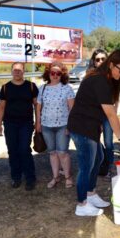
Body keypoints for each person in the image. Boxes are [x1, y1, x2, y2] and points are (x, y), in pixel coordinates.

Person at [68, 49, 120, 216]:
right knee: (86, 165)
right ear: (111, 64)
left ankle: (90, 193)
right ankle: (81, 205)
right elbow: (111, 114)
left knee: (99, 158)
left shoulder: (105, 80)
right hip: (82, 126)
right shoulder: (99, 80)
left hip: (90, 126)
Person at [0, 62, 38, 191]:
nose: (17, 72)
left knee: (24, 149)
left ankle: (30, 178)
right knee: (12, 150)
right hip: (10, 124)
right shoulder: (5, 88)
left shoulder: (31, 86)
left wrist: (38, 122)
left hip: (26, 123)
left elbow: (36, 105)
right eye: (15, 70)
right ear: (11, 71)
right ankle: (16, 177)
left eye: (20, 70)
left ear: (23, 72)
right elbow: (1, 107)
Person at [36, 61, 75, 189]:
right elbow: (38, 108)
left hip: (63, 125)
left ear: (62, 74)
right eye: (52, 72)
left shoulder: (67, 88)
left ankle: (68, 177)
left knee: (62, 152)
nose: (55, 75)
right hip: (46, 125)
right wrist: (38, 124)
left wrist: (70, 126)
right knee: (52, 153)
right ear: (48, 73)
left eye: (58, 73)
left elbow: (72, 109)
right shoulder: (43, 88)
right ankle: (55, 177)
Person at [88, 49, 115, 179]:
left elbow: (116, 98)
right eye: (97, 59)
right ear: (94, 61)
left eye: (103, 59)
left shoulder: (112, 76)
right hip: (95, 115)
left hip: (109, 115)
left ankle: (109, 167)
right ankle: (97, 165)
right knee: (95, 142)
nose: (100, 62)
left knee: (108, 142)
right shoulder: (90, 76)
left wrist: (114, 114)